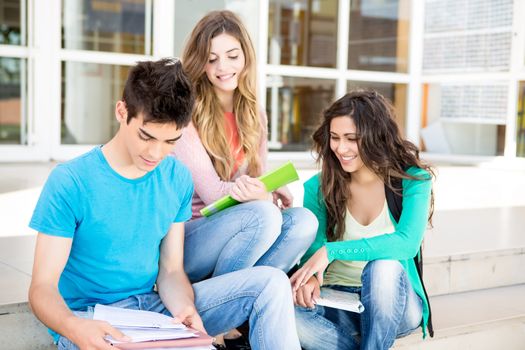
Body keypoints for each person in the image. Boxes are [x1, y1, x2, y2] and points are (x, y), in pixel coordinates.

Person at [28, 58, 301, 350]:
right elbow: (41, 288)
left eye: (171, 140)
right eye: (146, 136)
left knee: (271, 284)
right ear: (122, 112)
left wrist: (185, 309)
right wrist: (75, 328)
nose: (156, 153)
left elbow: (170, 270)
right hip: (89, 320)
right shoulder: (71, 180)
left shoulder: (176, 177)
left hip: (153, 312)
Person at [172, 11, 317, 346]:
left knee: (303, 221)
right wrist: (261, 196)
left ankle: (239, 310)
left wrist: (270, 185)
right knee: (264, 214)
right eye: (212, 59)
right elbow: (211, 194)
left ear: (246, 56)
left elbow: (253, 177)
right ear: (201, 64)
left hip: (238, 233)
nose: (224, 67)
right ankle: (222, 320)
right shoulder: (187, 115)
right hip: (192, 238)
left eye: (232, 56)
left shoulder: (255, 112)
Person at [290, 90, 435, 350]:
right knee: (287, 316)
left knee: (384, 267)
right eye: (334, 138)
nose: (340, 148)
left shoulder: (413, 180)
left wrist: (332, 250)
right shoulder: (319, 186)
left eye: (351, 139)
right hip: (336, 298)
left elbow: (407, 243)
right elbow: (313, 247)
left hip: (395, 302)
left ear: (376, 137)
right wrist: (311, 279)